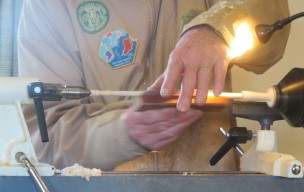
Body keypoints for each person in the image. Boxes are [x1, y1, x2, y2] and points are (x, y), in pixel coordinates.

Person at [18, 0, 290, 171]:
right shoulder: (47, 6)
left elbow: (273, 20)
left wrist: (218, 28)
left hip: (212, 182)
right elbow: (46, 136)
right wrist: (123, 132)